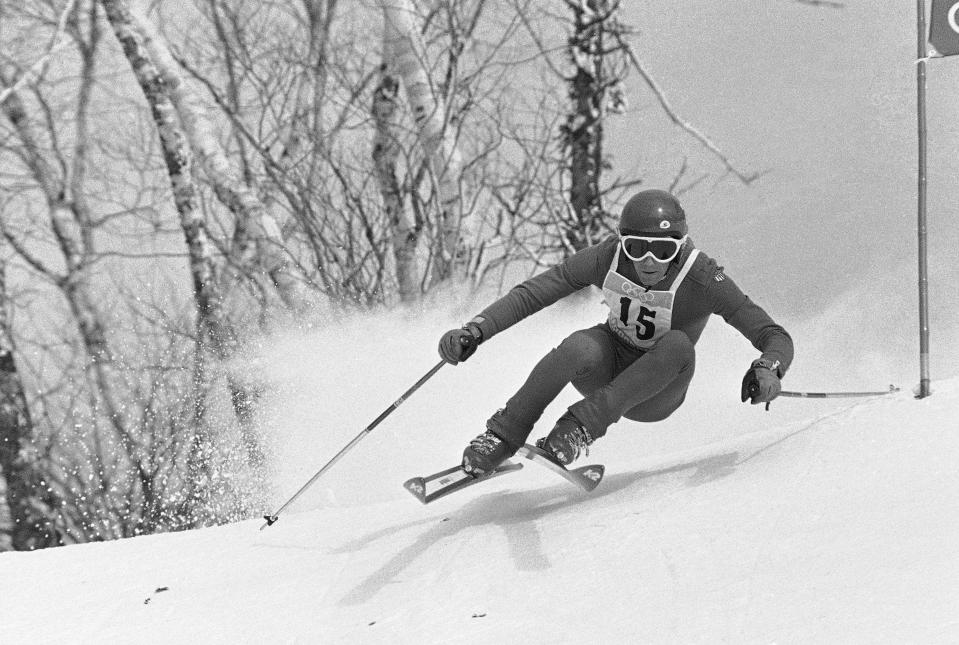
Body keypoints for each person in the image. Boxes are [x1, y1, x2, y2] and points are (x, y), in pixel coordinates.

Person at [438, 189, 794, 475]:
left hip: (656, 393)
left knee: (678, 344)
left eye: (663, 249)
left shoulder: (702, 277)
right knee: (579, 346)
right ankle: (502, 435)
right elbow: (534, 293)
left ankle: (579, 428)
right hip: (608, 369)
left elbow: (772, 335)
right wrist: (476, 330)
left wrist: (768, 367)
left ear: (681, 246)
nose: (649, 261)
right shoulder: (606, 258)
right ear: (621, 241)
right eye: (637, 248)